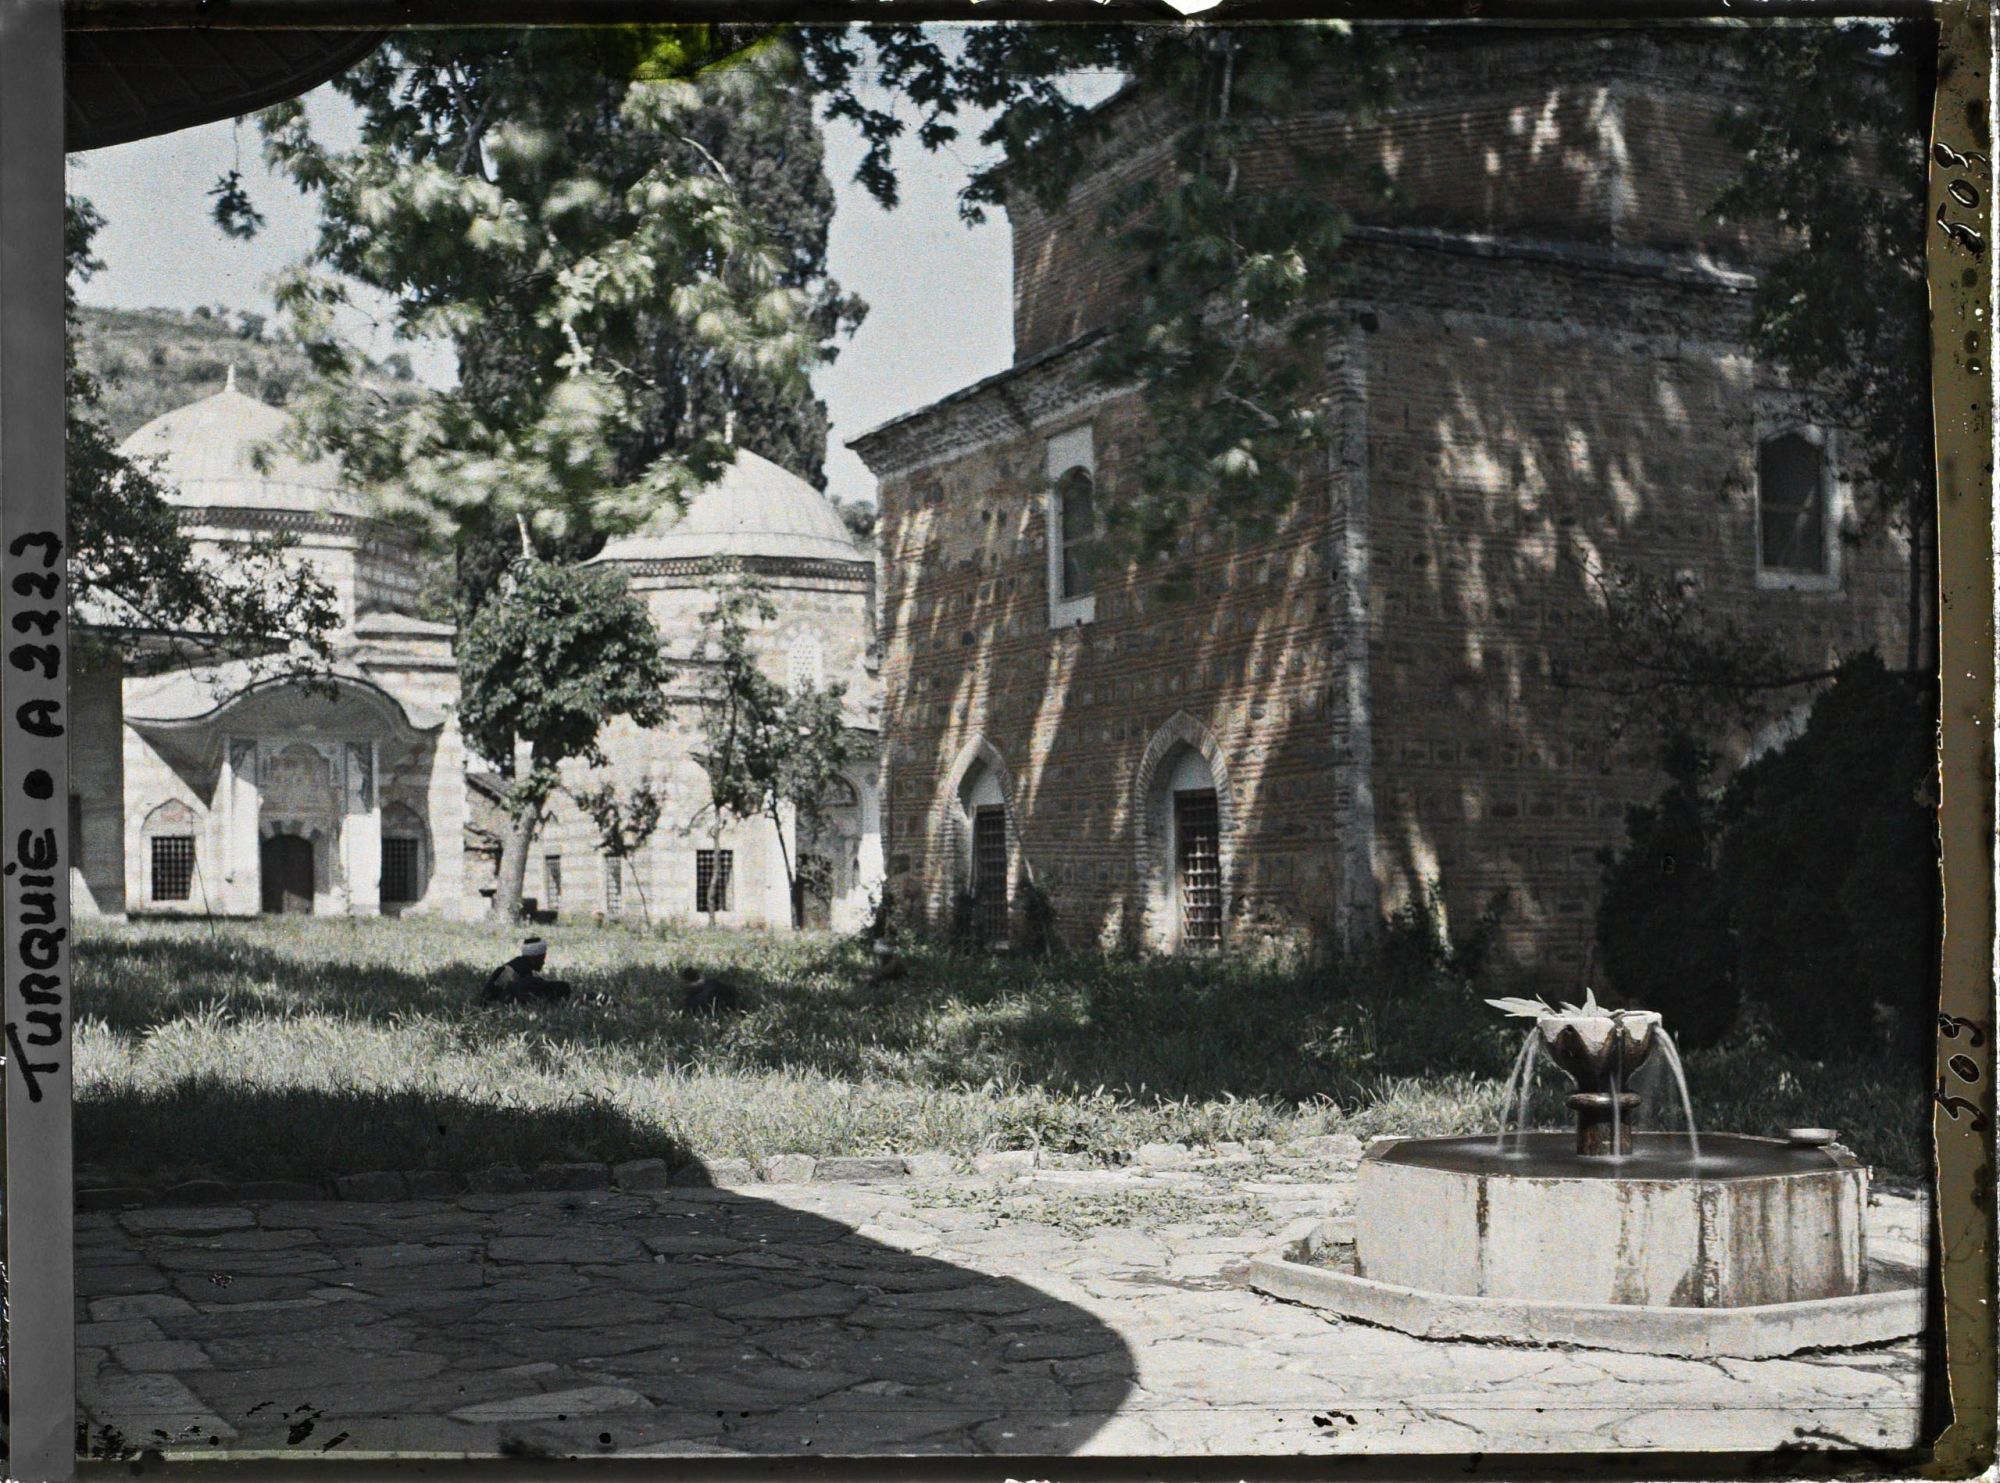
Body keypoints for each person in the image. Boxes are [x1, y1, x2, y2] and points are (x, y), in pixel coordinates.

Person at [481, 937, 573, 1006]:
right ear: (534, 958)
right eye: (542, 958)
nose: (543, 962)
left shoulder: (517, 964)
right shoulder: (523, 972)